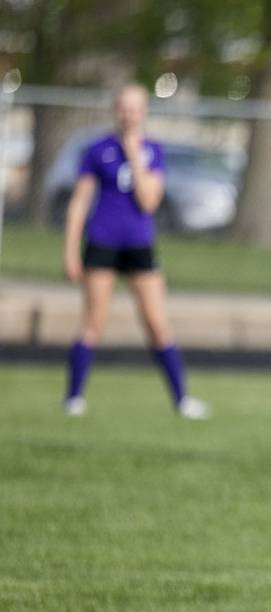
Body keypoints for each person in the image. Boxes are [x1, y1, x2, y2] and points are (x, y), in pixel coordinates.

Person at [61, 84, 209, 420]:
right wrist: (71, 250)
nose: (128, 115)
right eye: (123, 108)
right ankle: (73, 398)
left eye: (135, 109)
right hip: (102, 243)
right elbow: (80, 202)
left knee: (157, 323)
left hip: (139, 245)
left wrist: (133, 154)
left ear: (144, 112)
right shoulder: (97, 150)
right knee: (93, 323)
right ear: (115, 109)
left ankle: (182, 399)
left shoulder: (153, 150)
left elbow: (149, 200)